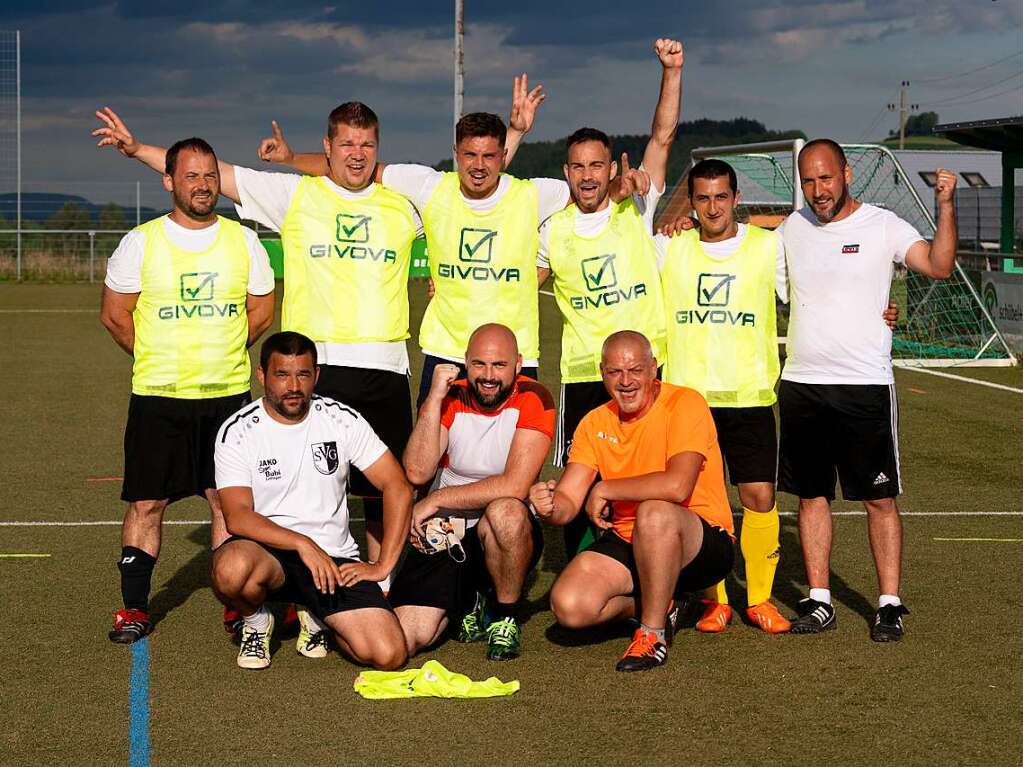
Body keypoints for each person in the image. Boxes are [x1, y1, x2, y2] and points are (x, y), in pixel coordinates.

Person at [94, 103, 417, 594]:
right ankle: (294, 593)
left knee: (378, 495)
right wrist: (138, 149)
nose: (357, 154)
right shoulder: (293, 194)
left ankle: (380, 589)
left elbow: (479, 193)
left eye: (367, 144)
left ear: (378, 148)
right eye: (346, 144)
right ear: (327, 148)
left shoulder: (404, 201)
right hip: (315, 368)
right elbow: (211, 176)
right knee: (303, 488)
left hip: (386, 366)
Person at [258, 77, 567, 405]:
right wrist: (290, 159)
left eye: (489, 155)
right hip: (444, 352)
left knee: (515, 455)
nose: (478, 164)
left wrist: (517, 132)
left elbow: (590, 190)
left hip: (515, 354)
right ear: (455, 154)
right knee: (433, 454)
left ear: (500, 154)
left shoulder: (534, 194)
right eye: (469, 154)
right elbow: (355, 166)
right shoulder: (428, 187)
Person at [779, 138, 958, 641]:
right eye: (809, 180)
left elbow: (939, 265)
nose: (818, 190)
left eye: (826, 178)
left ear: (847, 173)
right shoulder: (792, 228)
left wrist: (946, 206)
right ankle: (819, 601)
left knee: (878, 498)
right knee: (812, 496)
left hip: (864, 386)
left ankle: (888, 602)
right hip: (802, 384)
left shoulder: (882, 225)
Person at [98, 137, 275, 644]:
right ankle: (134, 608)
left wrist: (220, 349)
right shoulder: (142, 241)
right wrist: (157, 357)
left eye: (210, 176)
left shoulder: (242, 240)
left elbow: (261, 310)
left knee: (225, 505)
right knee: (147, 504)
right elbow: (115, 315)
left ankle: (236, 606)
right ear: (170, 181)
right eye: (192, 176)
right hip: (159, 397)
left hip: (225, 399)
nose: (203, 185)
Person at [537, 37, 683, 557]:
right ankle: (587, 565)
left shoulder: (637, 205)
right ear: (566, 173)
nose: (587, 175)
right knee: (580, 482)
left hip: (647, 369)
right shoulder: (551, 230)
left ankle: (655, 571)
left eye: (596, 165)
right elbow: (518, 285)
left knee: (650, 476)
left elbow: (662, 137)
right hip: (582, 373)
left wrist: (672, 70)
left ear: (610, 169)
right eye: (577, 167)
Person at [530, 331, 734, 672]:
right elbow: (569, 499)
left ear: (654, 368)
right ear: (602, 372)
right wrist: (550, 505)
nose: (625, 381)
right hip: (629, 538)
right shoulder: (594, 422)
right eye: (615, 372)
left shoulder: (685, 404)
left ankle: (652, 635)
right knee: (570, 607)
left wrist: (607, 489)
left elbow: (677, 486)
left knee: (654, 512)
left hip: (700, 541)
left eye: (635, 370)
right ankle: (665, 601)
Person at [212, 331, 413, 670]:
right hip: (269, 555)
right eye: (282, 375)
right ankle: (257, 621)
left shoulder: (340, 419)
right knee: (230, 569)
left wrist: (382, 566)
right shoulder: (239, 431)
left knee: (389, 655)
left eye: (303, 374)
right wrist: (302, 544)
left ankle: (317, 613)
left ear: (316, 375)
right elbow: (238, 517)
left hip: (334, 562)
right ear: (261, 375)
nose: (293, 386)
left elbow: (398, 486)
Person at [389, 324, 554, 661]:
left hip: (502, 528)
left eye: (499, 365)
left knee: (505, 510)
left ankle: (503, 615)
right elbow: (418, 471)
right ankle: (470, 599)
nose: (488, 376)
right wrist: (433, 399)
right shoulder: (449, 396)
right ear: (465, 362)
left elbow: (514, 486)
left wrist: (435, 499)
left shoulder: (535, 397)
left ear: (518, 365)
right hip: (445, 530)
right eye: (479, 364)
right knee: (406, 638)